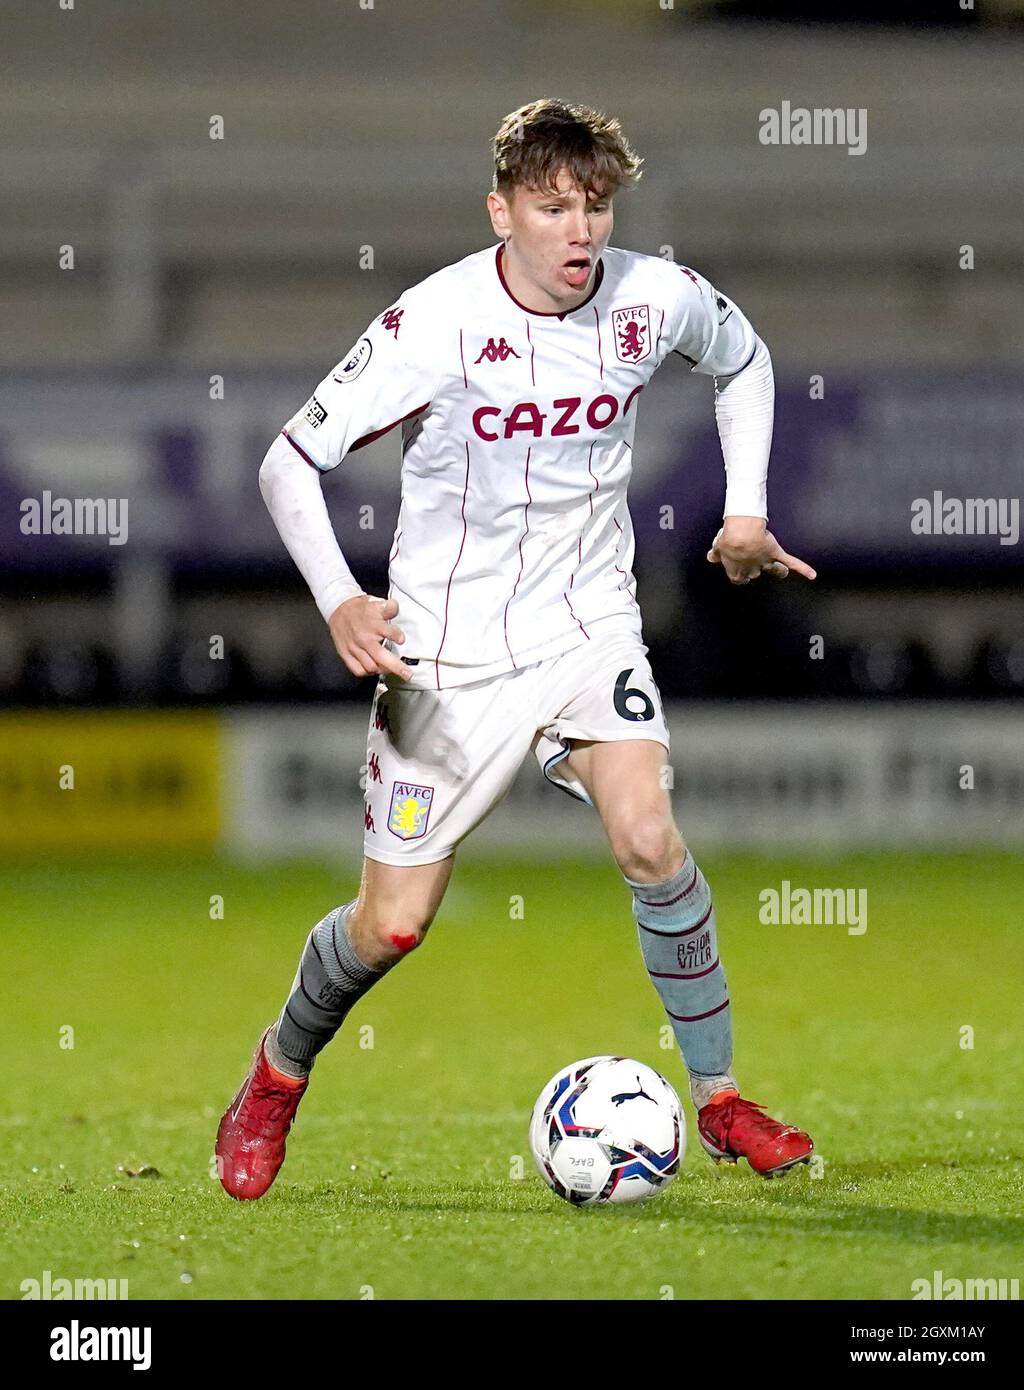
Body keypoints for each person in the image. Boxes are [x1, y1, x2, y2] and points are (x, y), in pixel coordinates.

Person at [215, 97, 817, 1201]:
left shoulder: (651, 296)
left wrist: (743, 509)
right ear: (502, 212)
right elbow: (287, 463)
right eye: (552, 208)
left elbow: (746, 358)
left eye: (594, 206)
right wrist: (343, 601)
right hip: (445, 655)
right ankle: (276, 1071)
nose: (580, 231)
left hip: (589, 624)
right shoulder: (432, 324)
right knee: (392, 925)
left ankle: (722, 1097)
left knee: (649, 837)